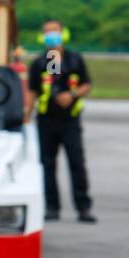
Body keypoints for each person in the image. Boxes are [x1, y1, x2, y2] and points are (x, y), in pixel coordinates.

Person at [24, 20, 96, 223]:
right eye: (47, 32)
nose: (51, 36)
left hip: (69, 120)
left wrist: (71, 95)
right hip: (47, 120)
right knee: (47, 165)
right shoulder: (42, 62)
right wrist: (26, 115)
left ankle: (83, 208)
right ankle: (52, 207)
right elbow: (33, 90)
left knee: (77, 163)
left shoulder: (74, 59)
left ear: (63, 33)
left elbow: (86, 84)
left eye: (55, 32)